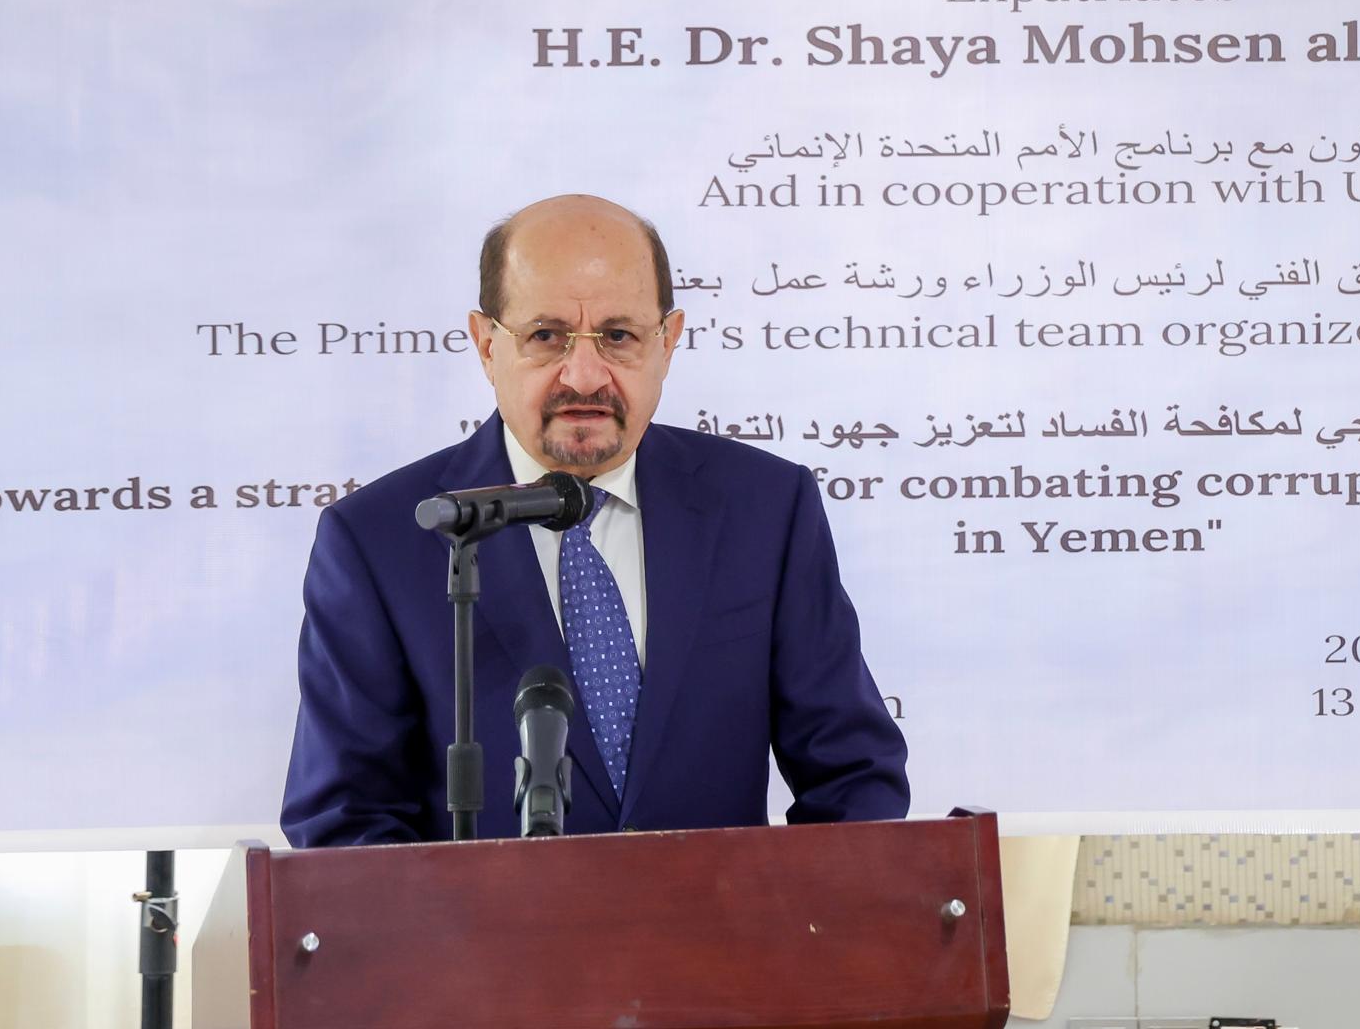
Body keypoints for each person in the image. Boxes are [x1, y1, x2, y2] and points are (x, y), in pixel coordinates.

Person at [280, 194, 908, 844]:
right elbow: (344, 821)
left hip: (725, 915)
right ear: (486, 344)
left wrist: (807, 906)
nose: (584, 377)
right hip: (486, 917)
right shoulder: (380, 541)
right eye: (546, 336)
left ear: (668, 341)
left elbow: (855, 775)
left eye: (619, 336)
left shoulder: (765, 508)